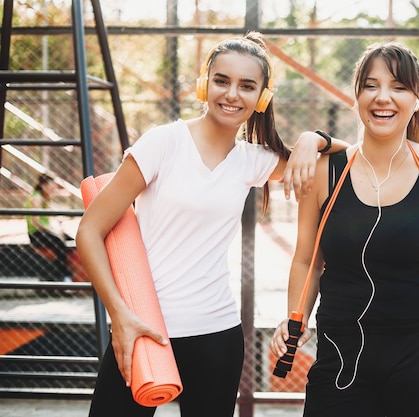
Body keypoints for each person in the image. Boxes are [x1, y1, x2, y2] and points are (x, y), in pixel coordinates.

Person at [76, 32, 347, 417]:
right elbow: (89, 230)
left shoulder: (254, 160)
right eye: (222, 81)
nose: (232, 94)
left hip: (216, 335)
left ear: (262, 98)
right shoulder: (163, 144)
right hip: (143, 327)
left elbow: (350, 155)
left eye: (247, 86)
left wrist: (312, 139)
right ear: (205, 85)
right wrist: (120, 316)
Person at [270, 42, 419, 417]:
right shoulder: (326, 173)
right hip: (342, 353)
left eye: (398, 87)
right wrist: (294, 319)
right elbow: (306, 260)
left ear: (416, 98)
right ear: (357, 95)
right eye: (371, 85)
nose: (383, 97)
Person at [25, 173, 72, 282]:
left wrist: (57, 228)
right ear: (43, 185)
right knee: (59, 242)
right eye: (52, 185)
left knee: (70, 239)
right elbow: (36, 221)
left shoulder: (45, 198)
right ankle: (64, 275)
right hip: (36, 233)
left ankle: (74, 270)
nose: (54, 188)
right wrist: (53, 230)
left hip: (44, 230)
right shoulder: (36, 198)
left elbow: (48, 219)